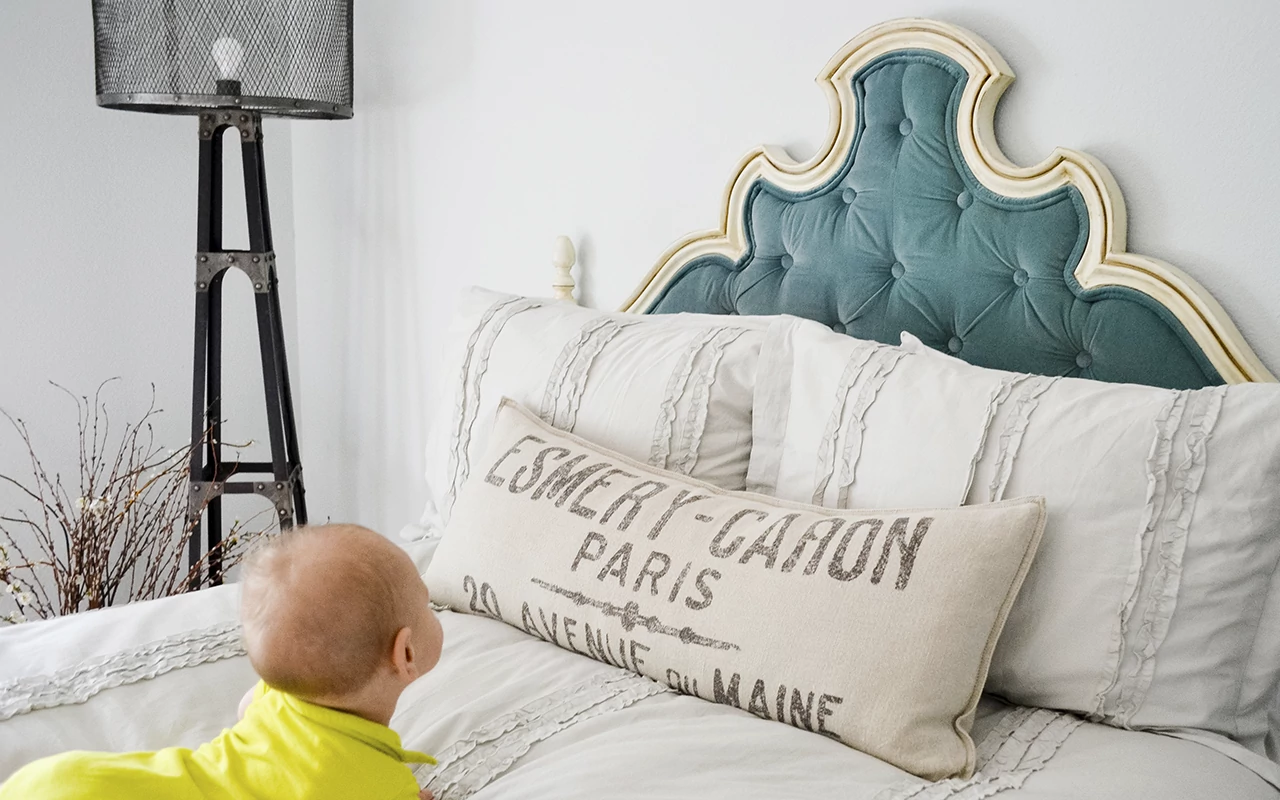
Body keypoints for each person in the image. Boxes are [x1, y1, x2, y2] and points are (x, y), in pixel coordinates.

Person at [0, 523, 444, 800]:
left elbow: (247, 707)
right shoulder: (381, 783)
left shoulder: (281, 694)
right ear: (405, 654)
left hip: (63, 781)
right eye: (426, 604)